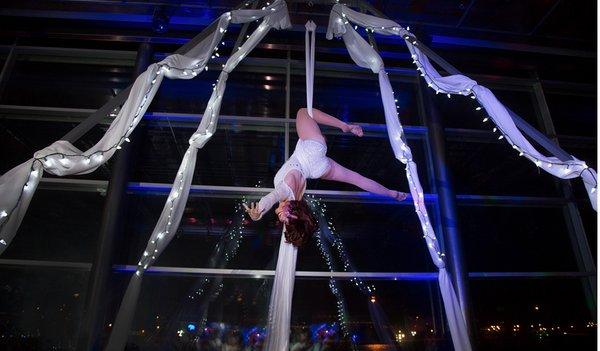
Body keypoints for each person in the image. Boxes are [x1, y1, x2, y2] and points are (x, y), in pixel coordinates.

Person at [244, 108, 407, 245]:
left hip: (316, 170)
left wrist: (261, 214)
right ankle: (344, 126)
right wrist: (259, 211)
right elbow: (272, 197)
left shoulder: (296, 199)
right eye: (284, 218)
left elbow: (277, 202)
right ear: (293, 212)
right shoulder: (285, 189)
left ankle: (393, 194)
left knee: (357, 179)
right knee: (303, 111)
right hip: (311, 150)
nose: (280, 218)